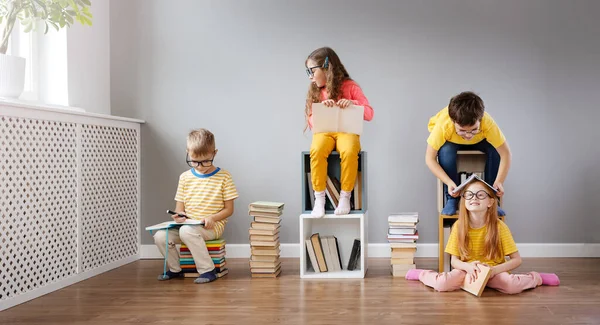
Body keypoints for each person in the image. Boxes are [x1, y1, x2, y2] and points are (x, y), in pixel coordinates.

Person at [154, 129, 238, 284]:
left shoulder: (224, 176)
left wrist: (212, 218)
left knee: (187, 231)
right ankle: (175, 269)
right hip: (188, 225)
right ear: (188, 153)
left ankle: (207, 270)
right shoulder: (185, 178)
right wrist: (179, 216)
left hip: (212, 225)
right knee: (160, 236)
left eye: (206, 161)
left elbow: (229, 209)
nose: (200, 166)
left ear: (214, 153)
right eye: (194, 161)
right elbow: (180, 208)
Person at [305, 47, 374, 217]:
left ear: (326, 68)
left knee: (350, 150)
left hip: (347, 130)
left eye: (312, 71)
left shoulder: (350, 86)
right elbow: (311, 120)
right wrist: (323, 109)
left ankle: (345, 195)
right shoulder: (315, 91)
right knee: (317, 149)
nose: (310, 76)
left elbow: (369, 113)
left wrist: (352, 103)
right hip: (324, 132)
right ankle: (319, 198)